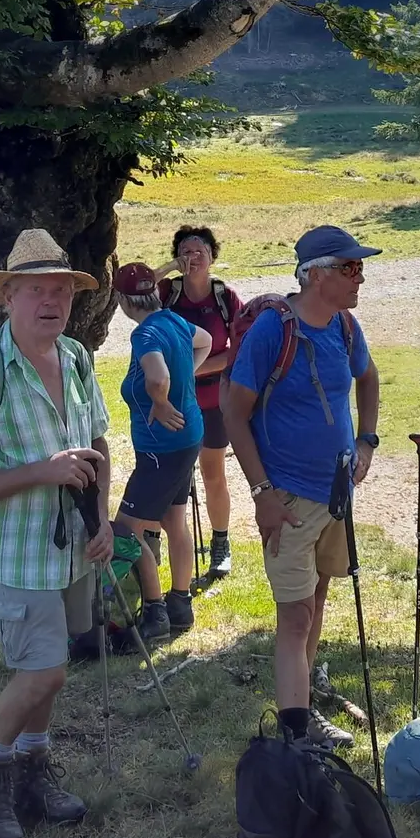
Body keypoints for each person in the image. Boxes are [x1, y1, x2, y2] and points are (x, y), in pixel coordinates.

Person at [0, 228, 114, 838]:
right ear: (8, 296)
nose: (51, 301)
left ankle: (34, 772)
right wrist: (44, 471)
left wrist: (102, 517)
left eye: (62, 290)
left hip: (73, 550)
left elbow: (97, 442)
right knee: (44, 674)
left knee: (50, 665)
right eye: (36, 290)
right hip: (17, 556)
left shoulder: (76, 358)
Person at [225, 224, 381, 752]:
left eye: (360, 267)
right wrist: (261, 493)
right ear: (315, 275)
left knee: (314, 600)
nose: (360, 277)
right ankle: (295, 736)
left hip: (336, 495)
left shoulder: (345, 326)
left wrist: (366, 442)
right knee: (295, 615)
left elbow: (368, 378)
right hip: (288, 499)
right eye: (350, 268)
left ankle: (304, 706)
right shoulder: (274, 330)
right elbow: (234, 413)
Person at [111, 261, 212, 644]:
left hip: (160, 449)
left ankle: (155, 613)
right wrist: (184, 378)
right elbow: (205, 342)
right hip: (188, 438)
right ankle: (180, 605)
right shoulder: (173, 320)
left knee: (126, 530)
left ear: (123, 301)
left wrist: (162, 400)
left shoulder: (147, 333)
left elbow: (157, 376)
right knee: (174, 520)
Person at [157, 225, 244, 578]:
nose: (192, 257)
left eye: (200, 251)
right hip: (171, 400)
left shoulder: (225, 298)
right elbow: (132, 290)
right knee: (168, 474)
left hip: (211, 400)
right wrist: (168, 268)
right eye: (185, 252)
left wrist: (190, 369)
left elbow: (239, 349)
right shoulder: (166, 293)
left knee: (212, 473)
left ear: (212, 257)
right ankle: (155, 542)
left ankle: (220, 543)